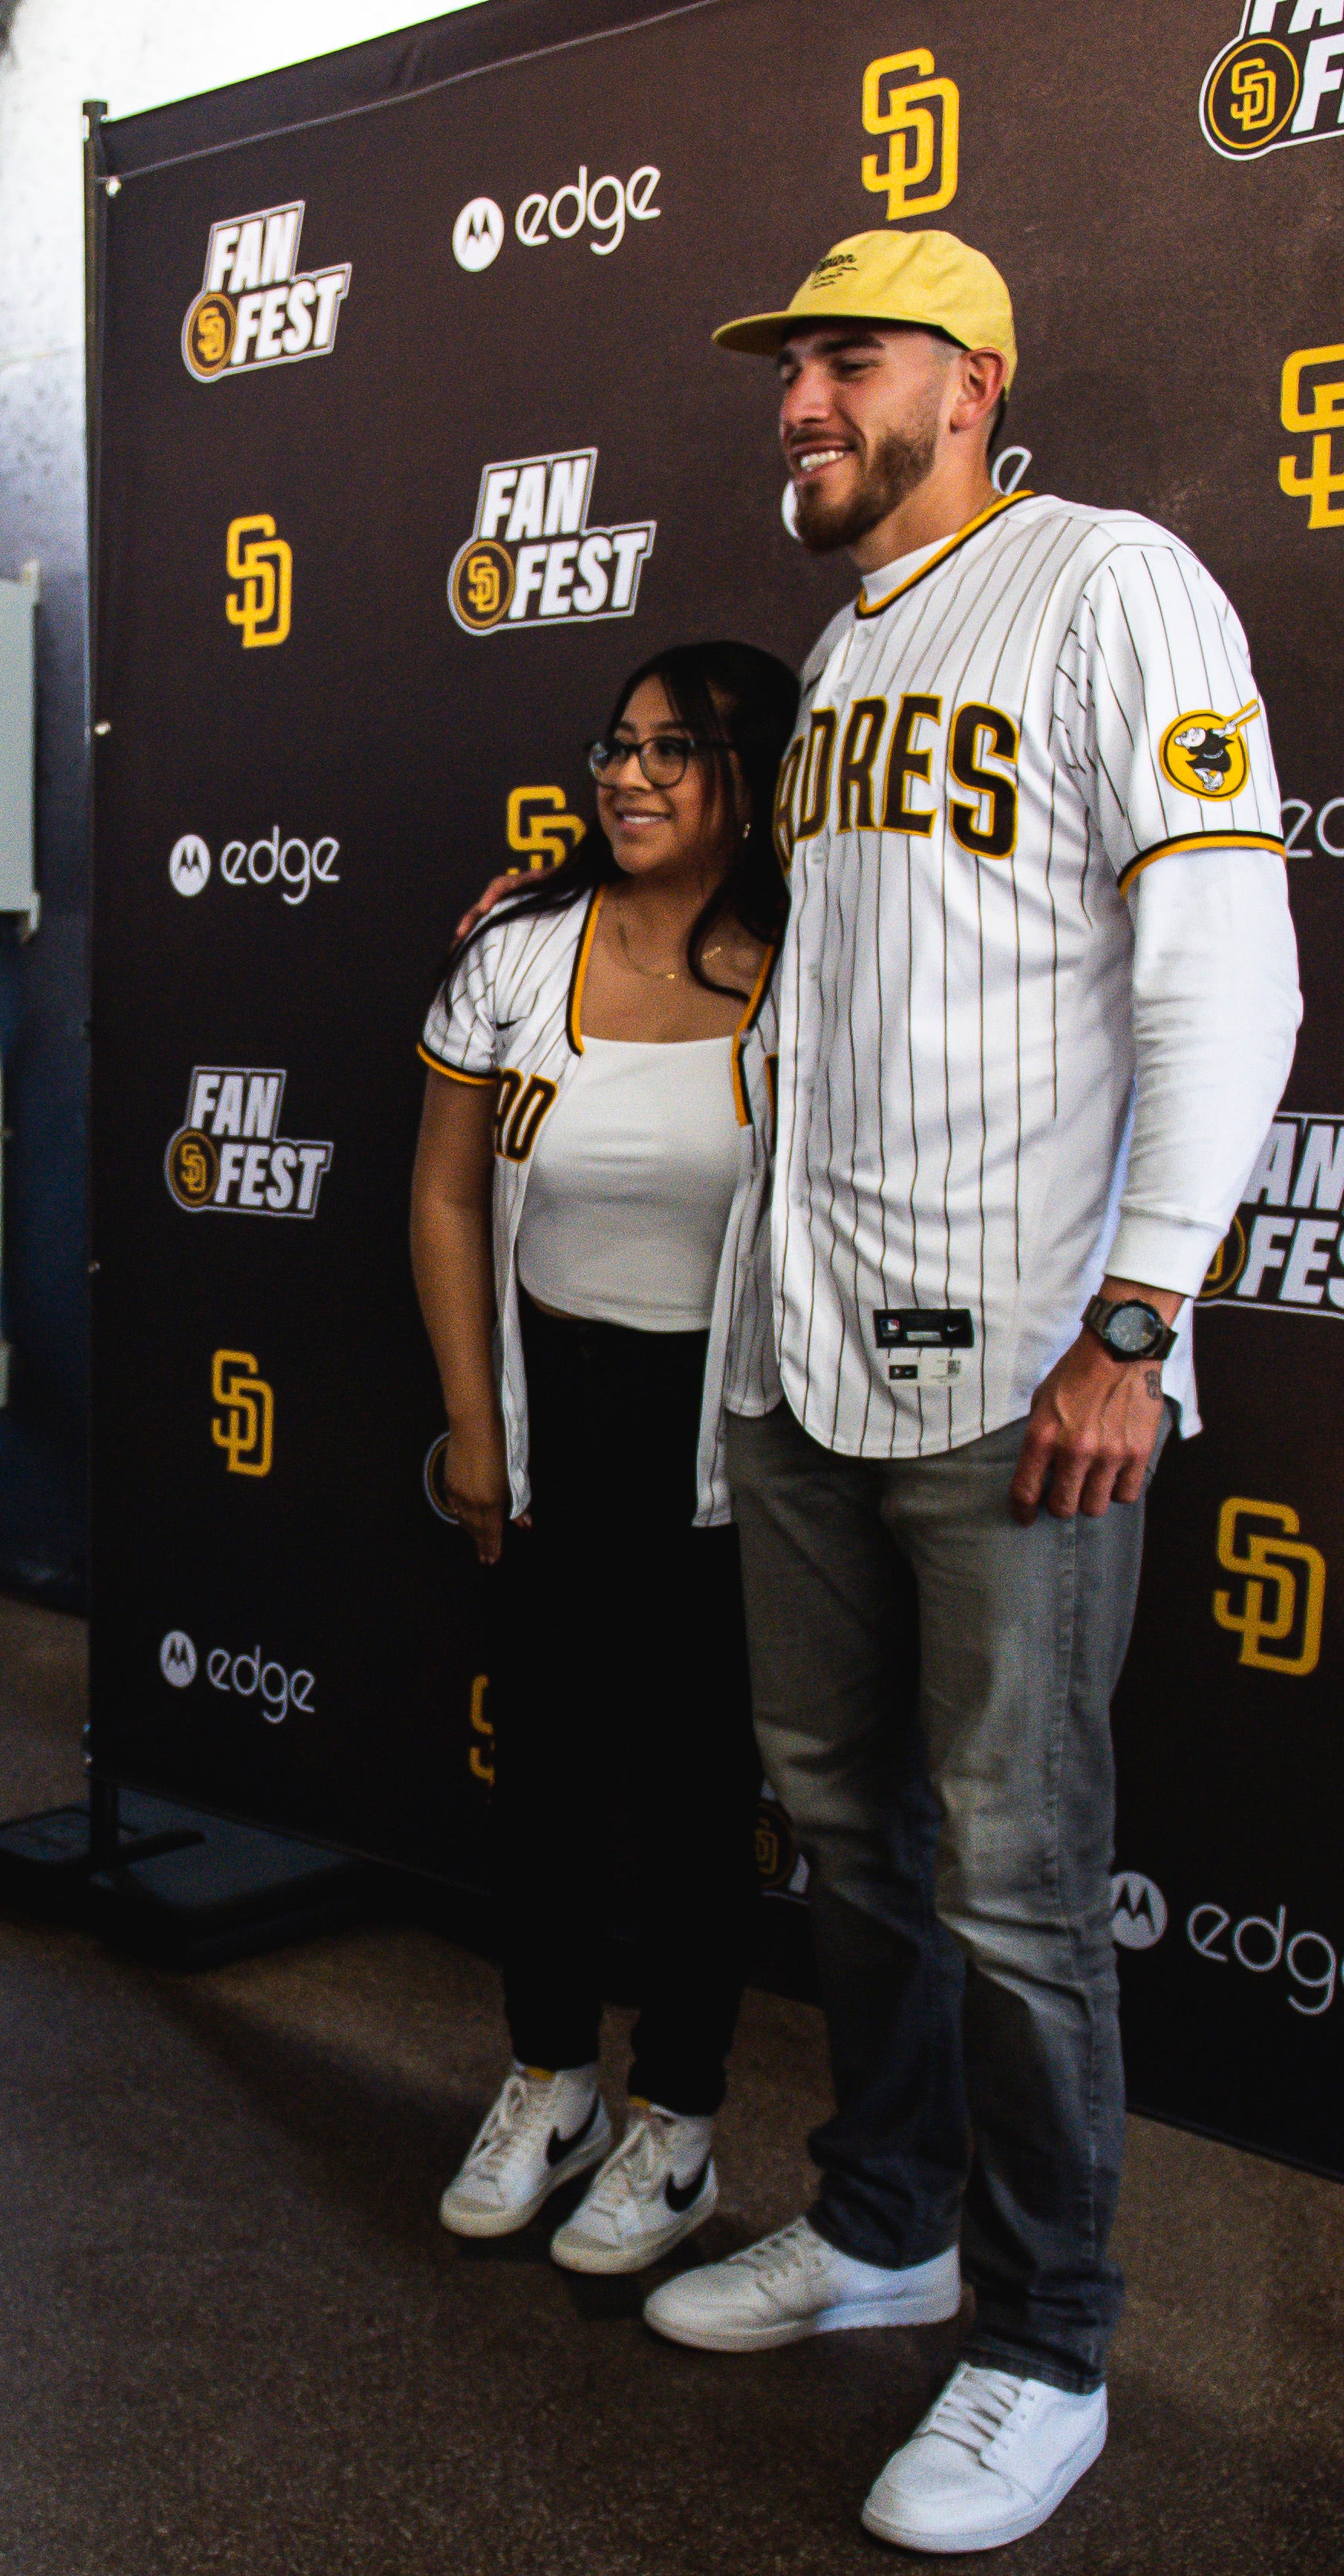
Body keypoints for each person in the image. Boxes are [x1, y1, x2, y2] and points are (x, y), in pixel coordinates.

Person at [640, 232, 1302, 2552]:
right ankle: (885, 2218)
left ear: (972, 375)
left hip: (1021, 1363)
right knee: (844, 1830)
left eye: (844, 358)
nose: (798, 398)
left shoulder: (1114, 584)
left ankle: (1040, 2339)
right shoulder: (835, 655)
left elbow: (1223, 969)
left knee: (1017, 1881)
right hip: (806, 1347)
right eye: (786, 362)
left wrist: (1136, 1320)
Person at [413, 641, 796, 2274]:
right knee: (552, 1772)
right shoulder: (516, 951)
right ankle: (548, 2075)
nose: (629, 775)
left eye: (678, 752)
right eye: (619, 745)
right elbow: (441, 1195)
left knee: (706, 1794)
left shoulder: (816, 962)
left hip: (736, 1454)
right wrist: (481, 1430)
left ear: (758, 780)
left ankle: (681, 2125)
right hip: (551, 1424)